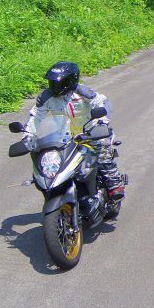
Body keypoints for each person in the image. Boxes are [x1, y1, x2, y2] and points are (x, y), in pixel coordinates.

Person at [22, 61, 127, 202]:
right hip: (63, 136)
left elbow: (102, 102)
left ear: (70, 81)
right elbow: (36, 117)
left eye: (58, 83)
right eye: (52, 82)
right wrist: (28, 135)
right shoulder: (46, 97)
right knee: (48, 157)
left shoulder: (82, 92)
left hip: (90, 132)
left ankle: (114, 183)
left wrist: (102, 122)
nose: (54, 86)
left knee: (102, 150)